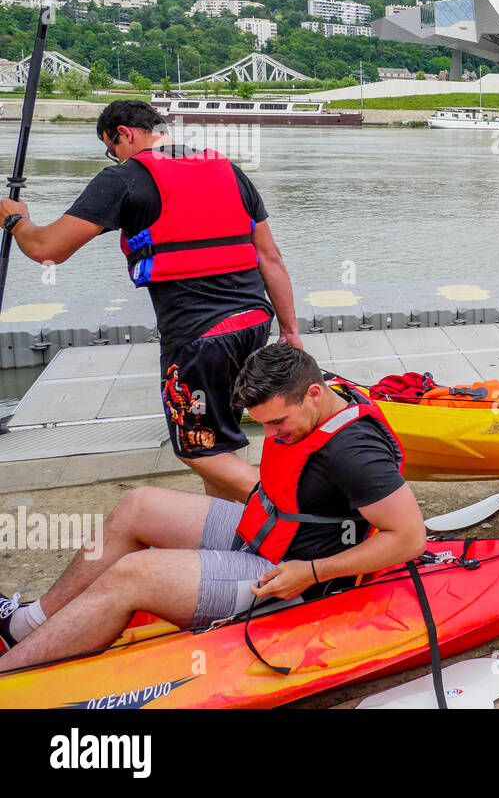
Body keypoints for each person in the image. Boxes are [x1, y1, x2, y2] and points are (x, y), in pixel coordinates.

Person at [0, 342, 426, 666]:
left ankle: (8, 674)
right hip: (264, 531)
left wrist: (311, 572)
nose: (273, 434)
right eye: (262, 425)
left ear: (314, 394)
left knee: (133, 573)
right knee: (138, 504)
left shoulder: (355, 453)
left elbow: (409, 539)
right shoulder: (315, 392)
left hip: (293, 572)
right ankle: (27, 625)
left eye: (278, 422)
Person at [0, 99, 300, 502]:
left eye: (112, 148)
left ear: (123, 133)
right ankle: (230, 534)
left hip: (199, 337)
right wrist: (291, 331)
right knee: (220, 440)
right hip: (253, 324)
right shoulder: (227, 169)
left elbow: (46, 249)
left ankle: (296, 515)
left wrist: (15, 219)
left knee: (197, 446)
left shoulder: (124, 179)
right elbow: (271, 257)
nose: (115, 157)